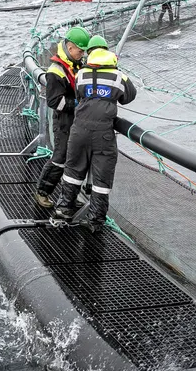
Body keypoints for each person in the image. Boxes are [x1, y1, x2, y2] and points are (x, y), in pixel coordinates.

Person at [53, 46, 137, 233]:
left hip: (79, 130)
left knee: (73, 170)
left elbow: (79, 95)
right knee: (101, 177)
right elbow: (129, 96)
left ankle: (64, 208)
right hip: (103, 134)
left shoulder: (81, 74)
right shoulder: (118, 77)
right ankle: (95, 220)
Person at [34, 26, 90, 208]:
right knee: (60, 157)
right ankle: (42, 192)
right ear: (70, 47)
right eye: (80, 51)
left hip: (78, 121)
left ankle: (71, 197)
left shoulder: (77, 65)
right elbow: (54, 101)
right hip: (64, 122)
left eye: (84, 52)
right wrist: (78, 104)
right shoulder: (56, 71)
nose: (82, 54)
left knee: (76, 158)